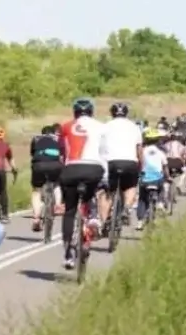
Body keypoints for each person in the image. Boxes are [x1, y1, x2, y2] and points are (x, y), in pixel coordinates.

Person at [58, 97, 106, 270]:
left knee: (69, 211)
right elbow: (104, 152)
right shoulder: (102, 126)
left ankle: (68, 254)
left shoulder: (65, 126)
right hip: (93, 169)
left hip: (70, 170)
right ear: (92, 112)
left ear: (75, 112)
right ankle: (93, 216)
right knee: (92, 193)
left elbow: (61, 153)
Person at [102, 101, 143, 235]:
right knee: (130, 187)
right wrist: (141, 164)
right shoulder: (134, 127)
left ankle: (105, 220)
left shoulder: (105, 126)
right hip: (130, 162)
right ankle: (126, 208)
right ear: (126, 113)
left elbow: (99, 147)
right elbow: (139, 149)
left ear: (112, 113)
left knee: (107, 192)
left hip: (111, 162)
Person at [28, 124, 64, 232]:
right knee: (57, 184)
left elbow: (32, 153)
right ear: (53, 132)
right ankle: (57, 205)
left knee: (36, 190)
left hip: (39, 165)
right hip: (55, 165)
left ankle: (36, 218)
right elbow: (61, 154)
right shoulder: (58, 139)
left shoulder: (36, 138)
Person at [137, 128, 170, 228]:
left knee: (142, 199)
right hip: (157, 179)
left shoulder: (142, 151)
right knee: (162, 188)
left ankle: (140, 221)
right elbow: (165, 167)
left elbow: (139, 164)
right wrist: (168, 177)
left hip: (145, 179)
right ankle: (160, 202)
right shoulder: (161, 153)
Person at [162, 127, 186, 198]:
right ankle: (179, 184)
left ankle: (165, 191)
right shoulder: (180, 145)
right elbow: (184, 155)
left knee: (165, 176)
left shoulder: (165, 144)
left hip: (168, 162)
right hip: (178, 162)